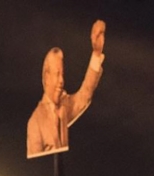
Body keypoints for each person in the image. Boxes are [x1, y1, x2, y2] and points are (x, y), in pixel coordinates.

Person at [26, 20, 105, 158]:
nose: (62, 81)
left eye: (63, 74)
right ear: (47, 76)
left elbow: (85, 94)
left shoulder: (64, 107)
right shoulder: (35, 122)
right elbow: (34, 168)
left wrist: (97, 53)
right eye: (57, 74)